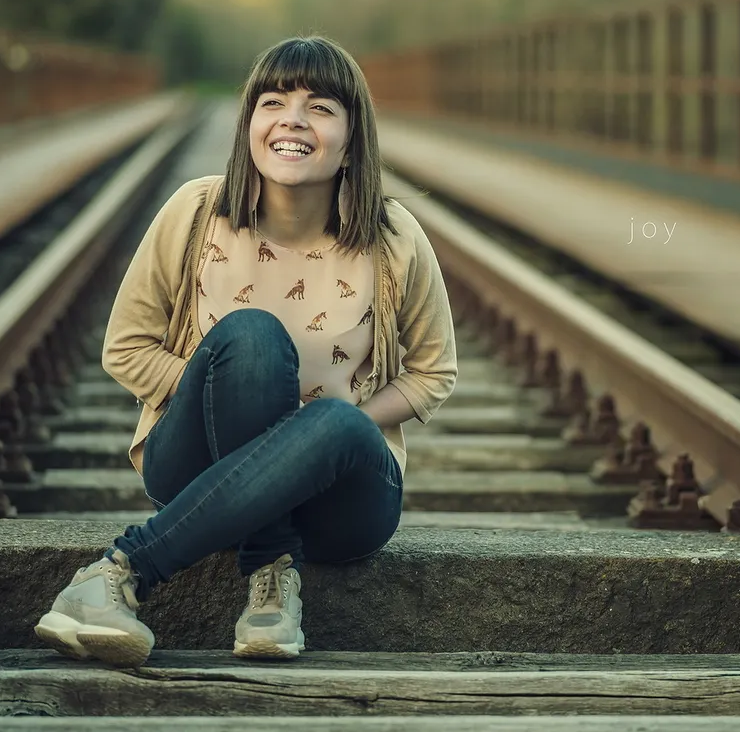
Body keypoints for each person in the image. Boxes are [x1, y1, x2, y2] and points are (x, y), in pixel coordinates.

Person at [34, 34, 458, 667]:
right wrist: (224, 396)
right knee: (251, 336)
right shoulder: (196, 212)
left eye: (320, 106)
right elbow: (126, 347)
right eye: (273, 101)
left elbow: (434, 373)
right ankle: (266, 577)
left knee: (338, 421)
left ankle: (116, 576)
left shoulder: (392, 237)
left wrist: (321, 436)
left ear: (351, 140)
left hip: (343, 504)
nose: (292, 118)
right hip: (196, 463)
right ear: (250, 125)